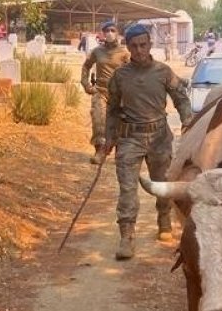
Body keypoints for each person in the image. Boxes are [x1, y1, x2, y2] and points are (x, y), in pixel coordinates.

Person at [97, 22, 193, 260]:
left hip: (159, 137)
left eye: (143, 45)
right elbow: (111, 109)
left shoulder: (163, 72)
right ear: (127, 47)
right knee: (128, 188)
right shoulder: (120, 76)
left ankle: (164, 220)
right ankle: (126, 237)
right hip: (129, 138)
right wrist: (108, 137)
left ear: (150, 44)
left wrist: (188, 122)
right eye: (134, 46)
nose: (139, 50)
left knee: (162, 184)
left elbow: (181, 99)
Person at [81, 21, 131, 160]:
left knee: (120, 123)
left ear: (117, 33)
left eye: (112, 30)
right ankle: (100, 151)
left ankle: (119, 152)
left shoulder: (124, 53)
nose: (109, 33)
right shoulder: (97, 51)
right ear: (103, 34)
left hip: (119, 94)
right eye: (106, 30)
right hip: (101, 91)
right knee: (99, 119)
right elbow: (86, 67)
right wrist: (86, 84)